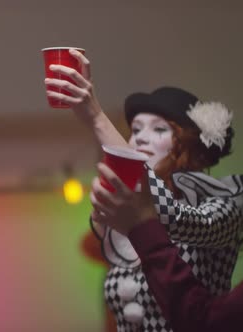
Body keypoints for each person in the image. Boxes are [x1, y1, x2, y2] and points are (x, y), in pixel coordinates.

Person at [46, 50, 243, 331]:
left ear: (189, 144)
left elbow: (170, 217)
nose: (140, 138)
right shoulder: (130, 219)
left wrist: (97, 118)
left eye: (159, 129)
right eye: (136, 129)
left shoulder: (224, 207)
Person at [91, 163, 243, 332]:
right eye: (135, 134)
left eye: (159, 133)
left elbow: (174, 217)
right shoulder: (124, 234)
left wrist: (134, 171)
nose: (141, 139)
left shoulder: (221, 205)